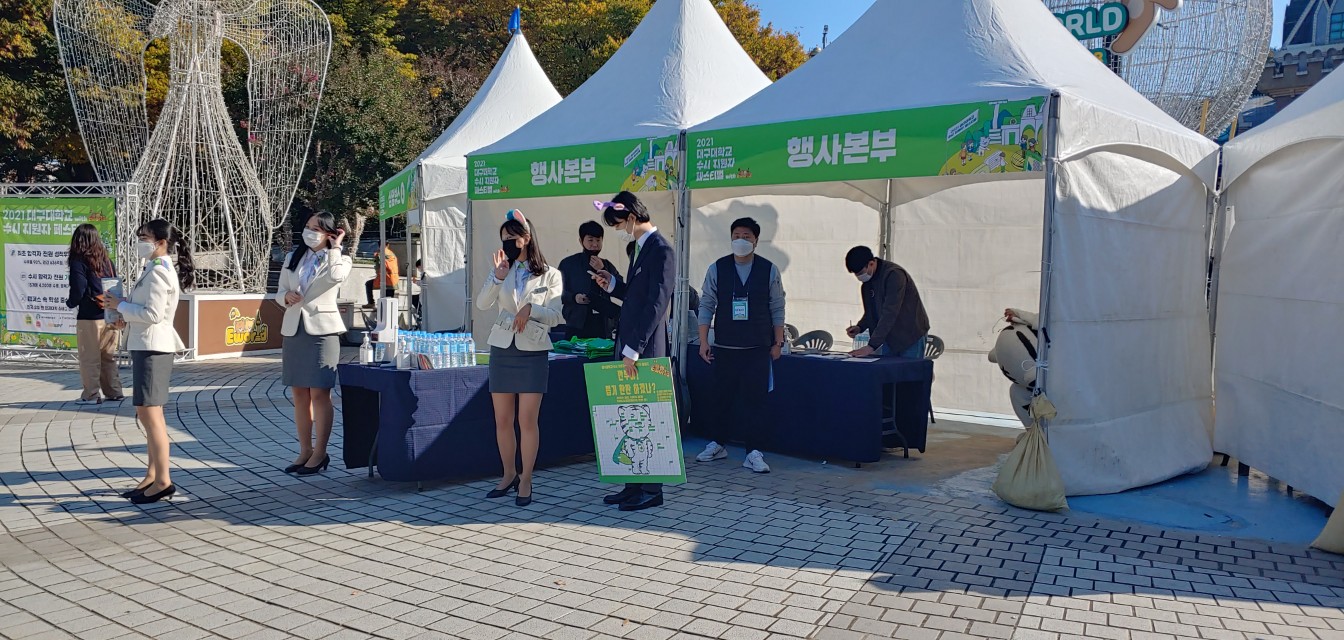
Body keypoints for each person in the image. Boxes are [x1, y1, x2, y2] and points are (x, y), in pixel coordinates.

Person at [592, 191, 676, 512]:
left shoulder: (662, 250)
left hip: (644, 348)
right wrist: (613, 284)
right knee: (628, 415)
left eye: (618, 224)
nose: (618, 230)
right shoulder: (641, 249)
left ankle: (652, 489)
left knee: (647, 416)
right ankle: (632, 484)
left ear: (631, 216)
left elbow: (657, 305)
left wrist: (635, 348)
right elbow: (636, 295)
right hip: (629, 343)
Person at [476, 210, 563, 507]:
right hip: (502, 348)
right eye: (504, 238)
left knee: (527, 419)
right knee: (502, 419)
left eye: (513, 238)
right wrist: (497, 277)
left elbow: (556, 315)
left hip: (533, 351)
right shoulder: (503, 269)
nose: (508, 243)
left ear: (526, 238)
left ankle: (526, 478)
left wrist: (531, 310)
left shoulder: (550, 274)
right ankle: (508, 473)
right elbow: (483, 303)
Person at [102, 219, 192, 504]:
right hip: (147, 345)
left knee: (151, 416)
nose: (140, 241)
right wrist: (123, 316)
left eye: (145, 237)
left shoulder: (159, 272)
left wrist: (120, 306)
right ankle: (152, 475)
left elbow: (153, 314)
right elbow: (146, 311)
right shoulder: (154, 268)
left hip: (154, 347)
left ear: (161, 242)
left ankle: (163, 480)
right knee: (149, 414)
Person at [694, 217, 786, 473]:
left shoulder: (769, 270)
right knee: (720, 398)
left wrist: (778, 341)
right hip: (725, 346)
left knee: (755, 401)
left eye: (747, 236)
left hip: (757, 347)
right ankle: (717, 443)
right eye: (736, 236)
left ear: (756, 240)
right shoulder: (717, 268)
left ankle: (753, 452)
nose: (741, 241)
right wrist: (703, 341)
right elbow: (706, 304)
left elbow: (777, 307)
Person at [276, 212, 351, 476]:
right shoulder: (293, 258)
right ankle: (305, 450)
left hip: (323, 331)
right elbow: (279, 291)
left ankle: (320, 452)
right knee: (299, 393)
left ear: (329, 233)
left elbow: (336, 277)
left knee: (320, 393)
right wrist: (285, 296)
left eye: (316, 229)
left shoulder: (340, 259)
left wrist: (336, 248)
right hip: (294, 329)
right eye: (307, 226)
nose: (309, 232)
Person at [66, 224, 125, 404]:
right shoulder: (106, 260)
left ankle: (91, 395)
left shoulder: (78, 261)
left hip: (89, 316)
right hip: (110, 313)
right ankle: (114, 391)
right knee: (108, 356)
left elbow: (79, 288)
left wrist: (71, 303)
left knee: (89, 357)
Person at [844, 246, 930, 359]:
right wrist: (860, 327)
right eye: (856, 274)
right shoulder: (867, 284)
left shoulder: (894, 275)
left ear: (871, 263)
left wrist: (871, 346)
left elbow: (890, 312)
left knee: (908, 369)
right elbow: (871, 312)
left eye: (860, 273)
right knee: (887, 369)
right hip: (889, 338)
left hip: (910, 335)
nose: (858, 277)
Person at [558, 221, 619, 340]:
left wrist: (603, 269)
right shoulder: (568, 264)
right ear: (581, 241)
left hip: (603, 324)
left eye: (598, 240)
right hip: (577, 324)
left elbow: (620, 286)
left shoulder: (606, 265)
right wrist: (574, 297)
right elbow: (556, 292)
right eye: (590, 240)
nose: (595, 244)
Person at [364, 243, 399, 308]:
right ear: (388, 245)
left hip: (386, 279)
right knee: (389, 300)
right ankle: (385, 309)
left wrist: (376, 258)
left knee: (368, 284)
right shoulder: (391, 253)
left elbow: (380, 266)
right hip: (393, 280)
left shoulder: (381, 253)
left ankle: (371, 303)